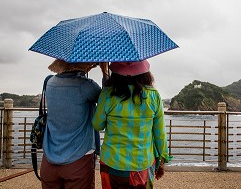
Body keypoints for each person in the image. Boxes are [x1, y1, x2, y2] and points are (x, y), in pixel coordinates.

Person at [92, 60, 172, 189]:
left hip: (111, 162)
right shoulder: (153, 96)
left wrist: (104, 74)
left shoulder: (107, 94)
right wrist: (162, 160)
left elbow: (97, 125)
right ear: (144, 72)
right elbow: (160, 134)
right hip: (142, 164)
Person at [40, 59, 108, 189]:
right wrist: (105, 72)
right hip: (79, 159)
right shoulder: (85, 85)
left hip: (49, 159)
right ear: (85, 65)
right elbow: (107, 98)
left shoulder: (49, 82)